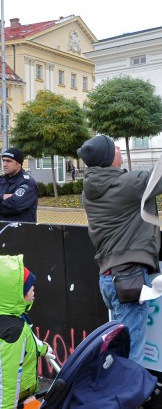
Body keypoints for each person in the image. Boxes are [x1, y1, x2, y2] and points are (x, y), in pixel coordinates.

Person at [77, 116, 162, 364]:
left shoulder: (91, 189)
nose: (119, 149)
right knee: (129, 360)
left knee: (118, 354)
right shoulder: (128, 184)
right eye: (115, 147)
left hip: (110, 279)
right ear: (108, 159)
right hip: (128, 280)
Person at [0, 254, 55, 409]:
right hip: (16, 400)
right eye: (29, 286)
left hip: (25, 395)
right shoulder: (13, 331)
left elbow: (27, 345)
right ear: (15, 294)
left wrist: (42, 348)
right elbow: (7, 382)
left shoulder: (13, 317)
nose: (33, 288)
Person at [0, 148, 38, 223]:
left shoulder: (27, 182)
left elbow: (14, 206)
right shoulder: (1, 180)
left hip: (21, 231)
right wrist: (3, 197)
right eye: (3, 161)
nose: (4, 164)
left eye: (8, 161)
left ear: (19, 163)